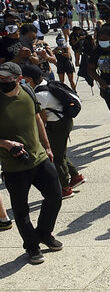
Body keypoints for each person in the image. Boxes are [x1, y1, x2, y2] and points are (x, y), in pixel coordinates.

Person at [0, 62, 63, 265]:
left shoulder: (27, 91)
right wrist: (7, 144)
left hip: (39, 157)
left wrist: (47, 146)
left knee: (55, 195)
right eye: (0, 78)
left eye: (8, 78)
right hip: (13, 166)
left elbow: (37, 118)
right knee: (21, 210)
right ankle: (32, 247)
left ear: (19, 79)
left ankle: (44, 233)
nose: (3, 82)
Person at [21, 64, 85, 200]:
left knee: (56, 158)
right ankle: (75, 176)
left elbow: (41, 118)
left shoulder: (39, 95)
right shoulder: (47, 83)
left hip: (57, 125)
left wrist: (40, 134)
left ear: (30, 79)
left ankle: (65, 188)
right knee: (59, 151)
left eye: (23, 78)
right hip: (63, 121)